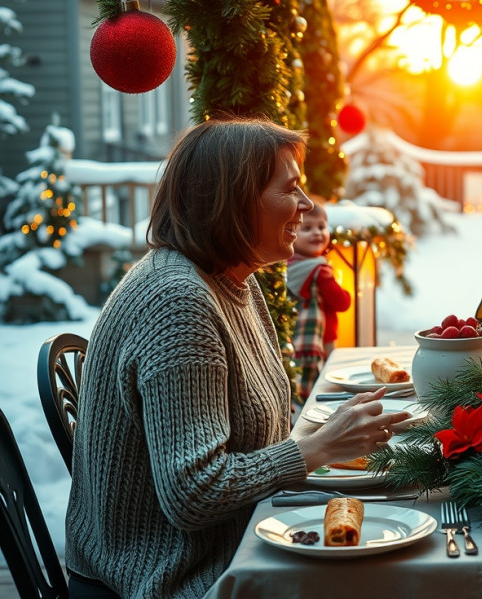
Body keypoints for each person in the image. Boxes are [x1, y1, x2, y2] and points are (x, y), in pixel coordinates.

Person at [65, 119, 411, 598]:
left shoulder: (234, 283)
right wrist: (318, 448)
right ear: (233, 199)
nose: (308, 206)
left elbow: (255, 437)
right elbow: (193, 492)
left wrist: (335, 433)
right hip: (169, 577)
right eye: (291, 190)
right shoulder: (177, 303)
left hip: (230, 546)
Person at [288, 200, 352, 400]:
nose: (317, 233)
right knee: (319, 387)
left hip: (293, 340)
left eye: (322, 227)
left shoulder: (287, 266)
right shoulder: (320, 271)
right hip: (317, 341)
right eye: (307, 228)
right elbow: (342, 303)